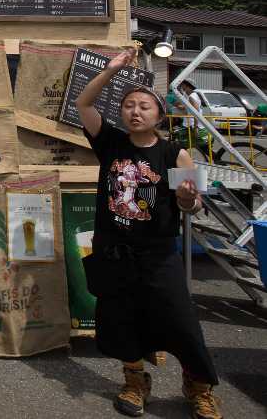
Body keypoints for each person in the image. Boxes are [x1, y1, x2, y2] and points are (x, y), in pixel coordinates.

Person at [76, 50, 222, 419]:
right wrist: (111, 71)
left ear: (159, 114)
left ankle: (198, 385)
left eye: (144, 106)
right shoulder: (110, 143)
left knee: (180, 321)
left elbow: (192, 207)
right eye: (128, 105)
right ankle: (134, 381)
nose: (135, 111)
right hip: (113, 252)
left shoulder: (176, 154)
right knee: (121, 320)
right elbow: (83, 101)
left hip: (157, 255)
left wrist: (189, 200)